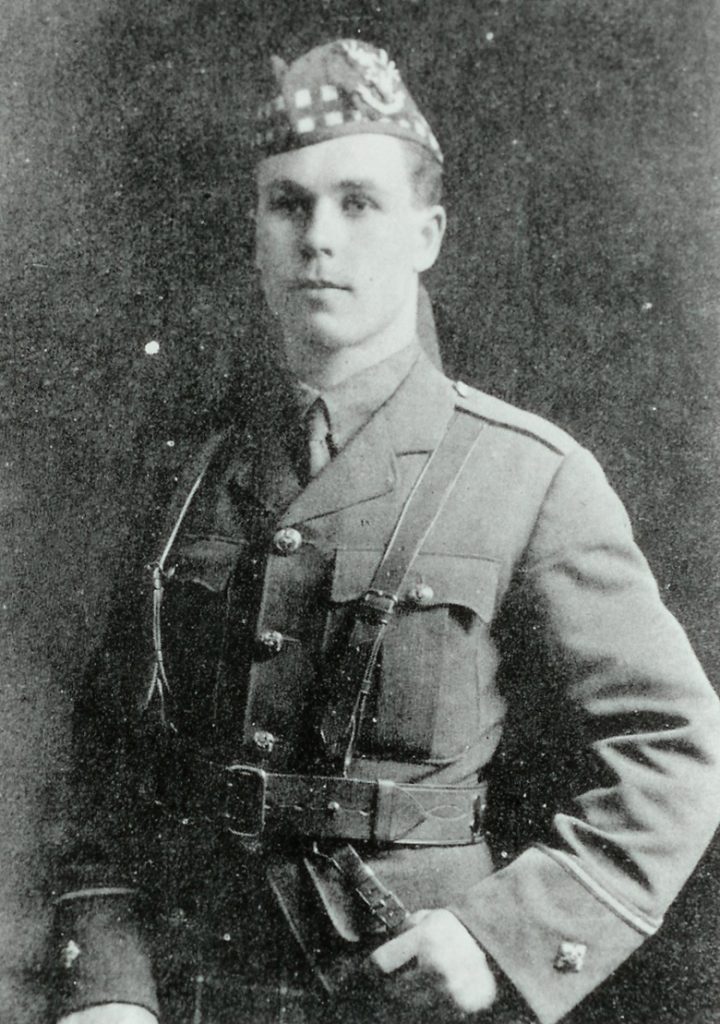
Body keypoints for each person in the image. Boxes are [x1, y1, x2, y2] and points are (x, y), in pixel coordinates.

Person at [51, 39, 720, 1024]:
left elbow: (674, 745)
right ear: (256, 236)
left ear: (427, 233)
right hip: (193, 996)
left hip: (411, 999)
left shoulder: (527, 475)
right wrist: (104, 987)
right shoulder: (187, 481)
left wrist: (506, 938)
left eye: (358, 203)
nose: (320, 237)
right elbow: (108, 769)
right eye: (290, 205)